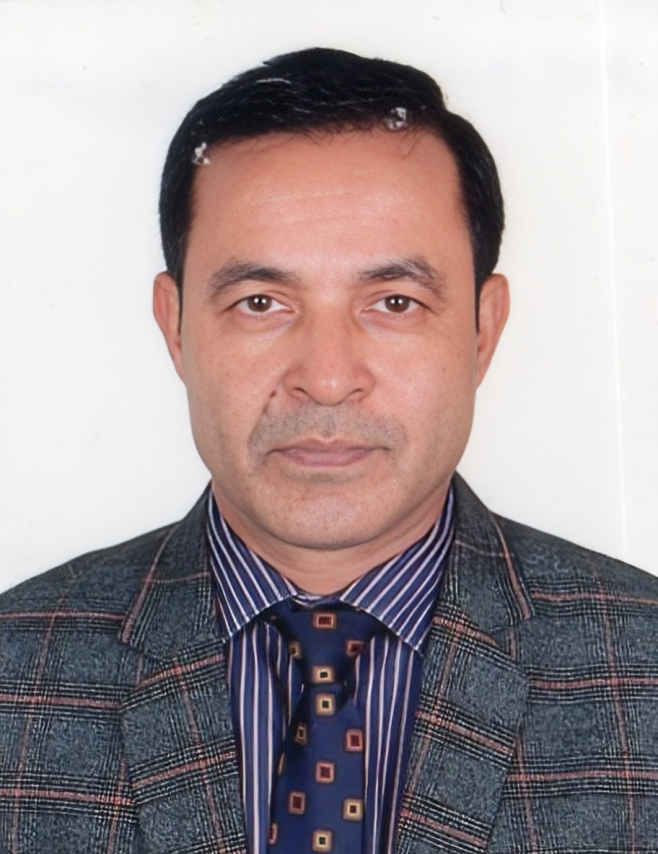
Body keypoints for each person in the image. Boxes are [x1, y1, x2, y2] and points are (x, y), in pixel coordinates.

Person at [1, 47, 657, 854]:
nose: (327, 377)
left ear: (482, 329)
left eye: (394, 302)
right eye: (261, 302)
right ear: (175, 327)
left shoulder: (642, 666)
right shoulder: (15, 674)